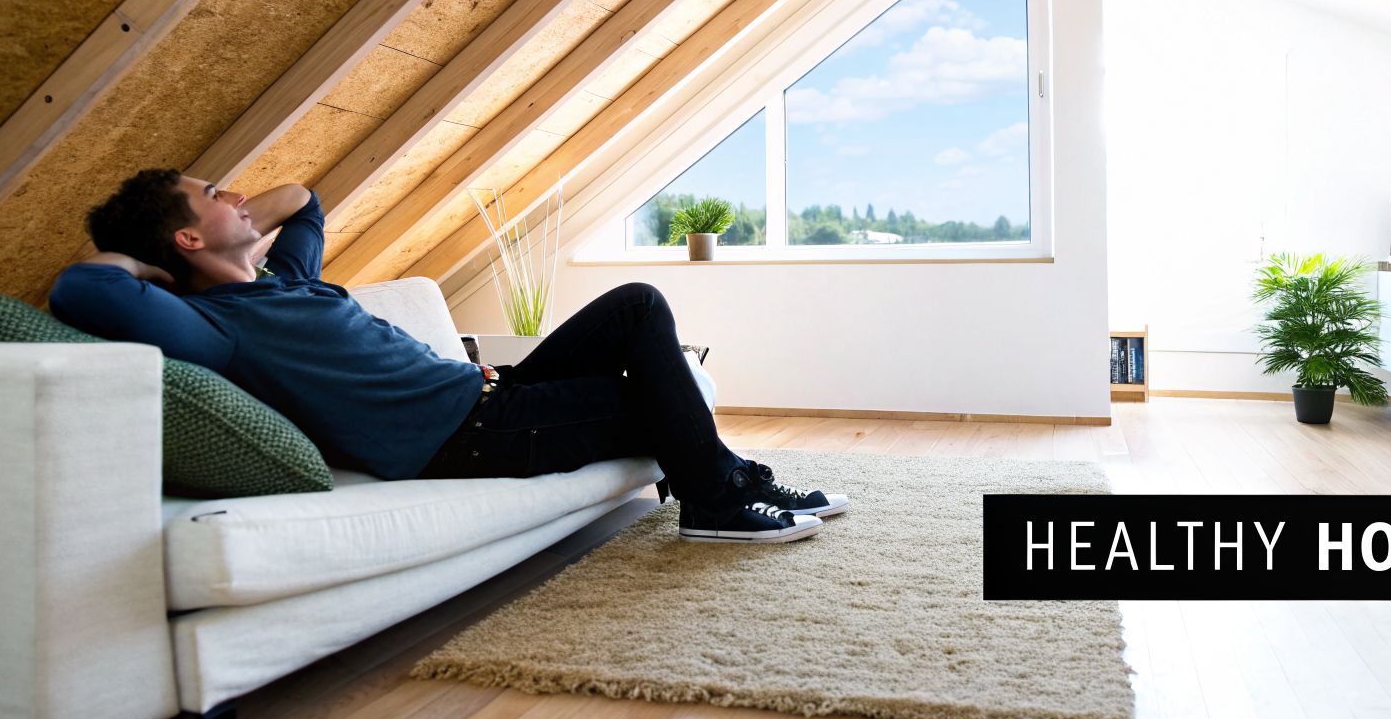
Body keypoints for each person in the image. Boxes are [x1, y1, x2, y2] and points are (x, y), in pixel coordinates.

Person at [47, 168, 847, 543]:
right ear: (185, 240)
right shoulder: (211, 323)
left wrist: (232, 220)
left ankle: (725, 483)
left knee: (637, 304)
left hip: (491, 395)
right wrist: (154, 264)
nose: (233, 194)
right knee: (657, 395)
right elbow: (86, 290)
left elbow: (304, 196)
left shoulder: (284, 280)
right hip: (465, 436)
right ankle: (720, 498)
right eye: (211, 195)